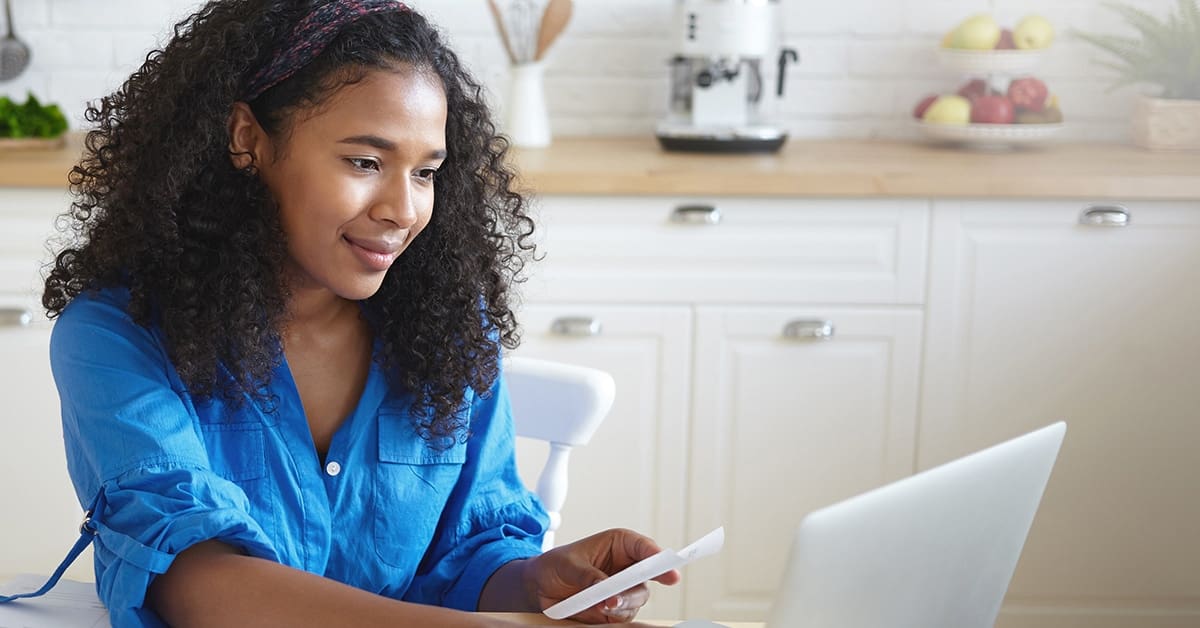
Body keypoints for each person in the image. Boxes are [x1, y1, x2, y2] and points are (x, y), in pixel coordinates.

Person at [35, 1, 679, 626]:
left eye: (426, 172)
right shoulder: (116, 334)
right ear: (247, 139)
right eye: (365, 162)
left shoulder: (449, 329)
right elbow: (199, 585)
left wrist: (538, 583)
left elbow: (469, 558)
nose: (403, 209)